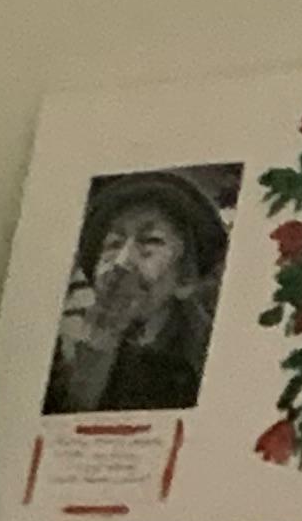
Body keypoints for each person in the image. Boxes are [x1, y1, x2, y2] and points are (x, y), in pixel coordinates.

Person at [41, 169, 230, 418]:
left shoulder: (207, 360)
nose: (121, 262)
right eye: (113, 244)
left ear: (185, 279)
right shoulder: (61, 346)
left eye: (150, 241)